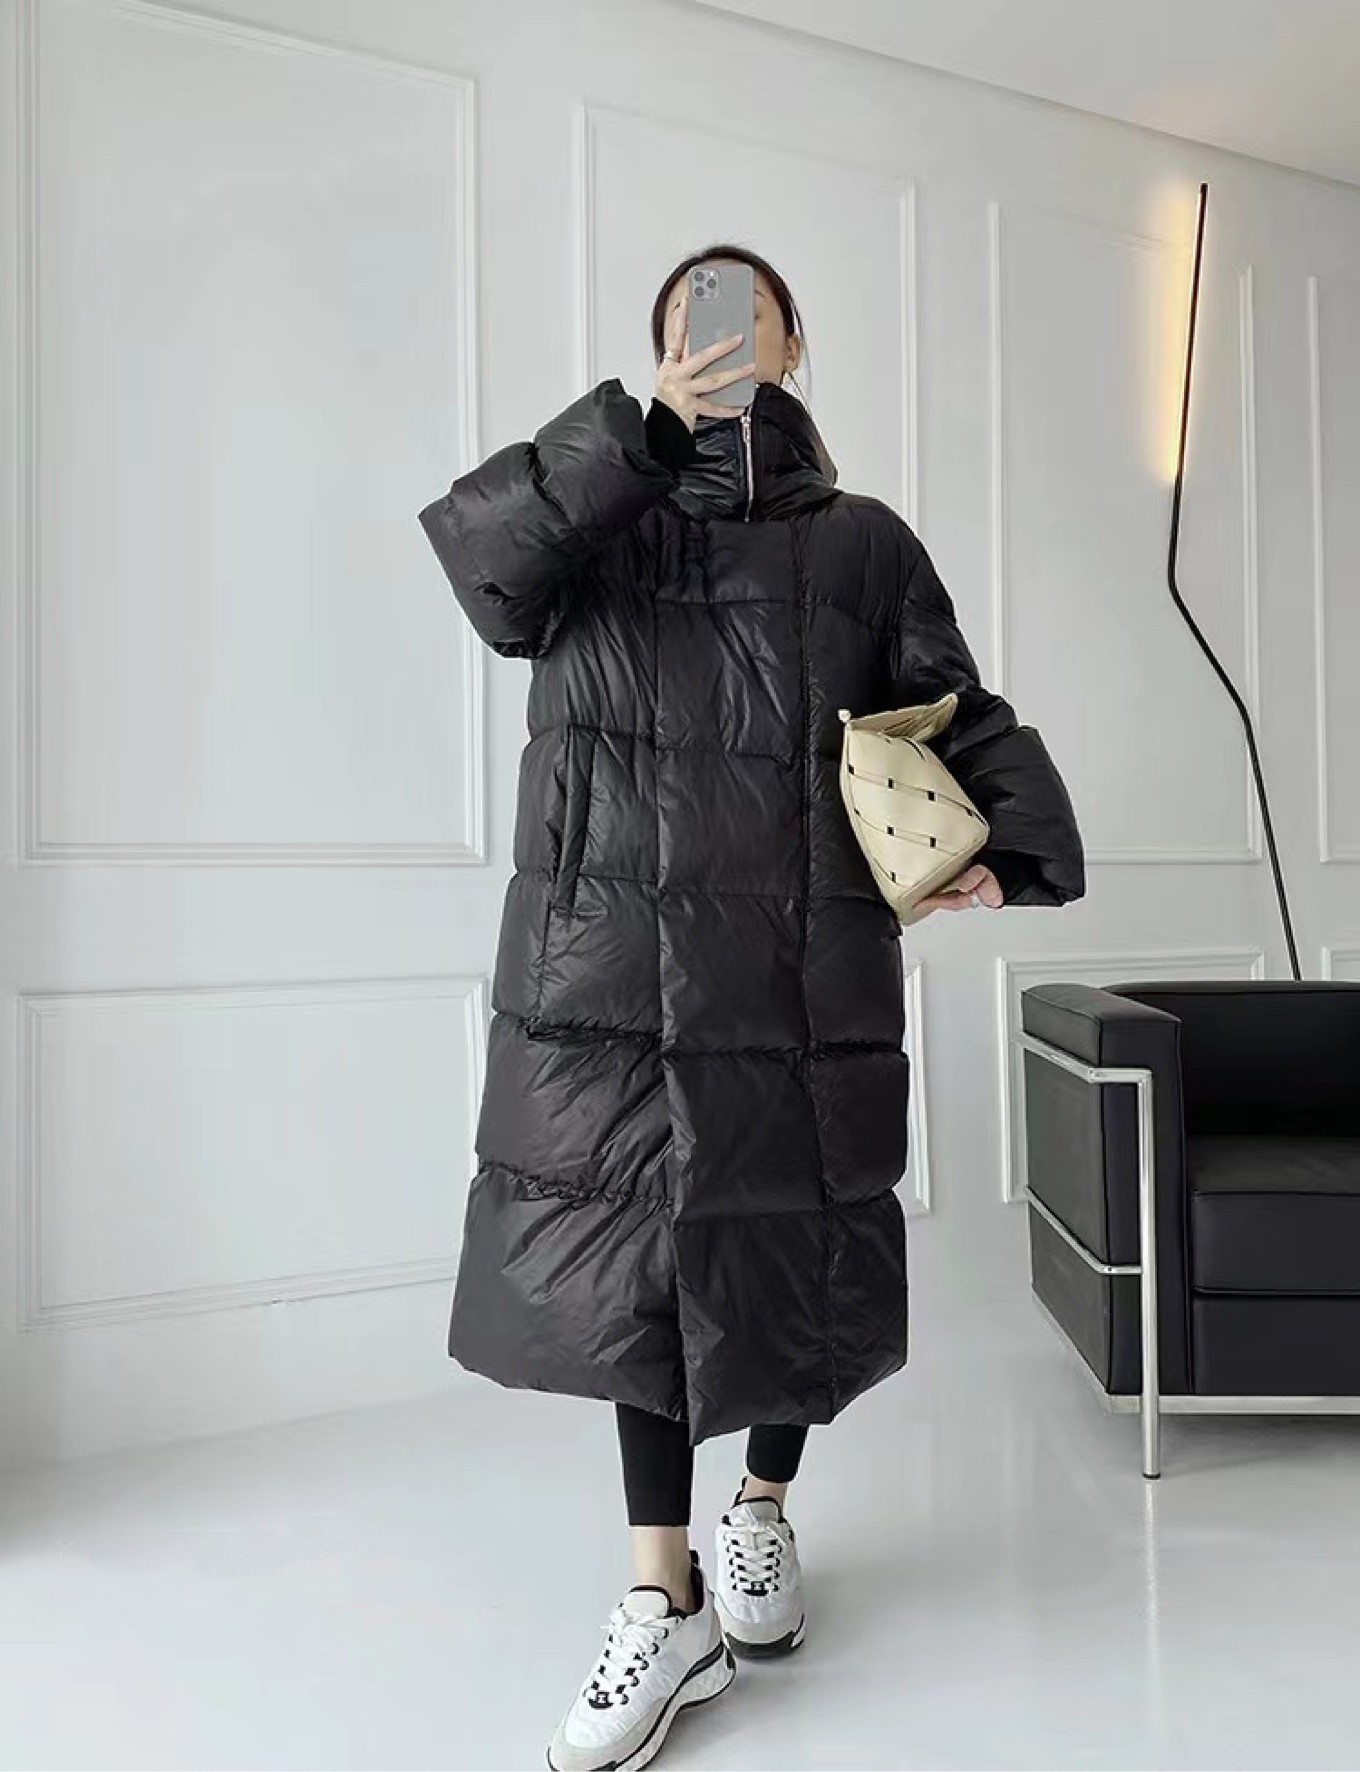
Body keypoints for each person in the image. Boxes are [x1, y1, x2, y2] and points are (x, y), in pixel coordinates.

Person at [417, 244, 1085, 1772]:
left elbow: (946, 707)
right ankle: (663, 1597)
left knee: (790, 1245)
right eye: (688, 312)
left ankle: (763, 1511)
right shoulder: (597, 518)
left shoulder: (865, 544)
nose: (714, 325)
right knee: (638, 1271)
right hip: (612, 964)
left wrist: (1008, 848)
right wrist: (641, 436)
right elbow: (486, 571)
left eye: (742, 305)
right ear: (664, 346)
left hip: (798, 955)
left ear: (792, 341)